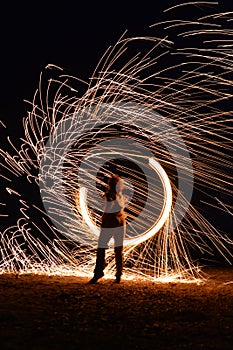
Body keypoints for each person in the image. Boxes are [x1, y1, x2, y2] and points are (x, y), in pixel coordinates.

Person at [89, 174, 126, 284]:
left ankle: (98, 273)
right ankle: (118, 275)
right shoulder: (120, 196)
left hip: (110, 223)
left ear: (110, 185)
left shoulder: (110, 195)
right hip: (121, 223)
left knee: (101, 248)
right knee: (118, 250)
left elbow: (110, 206)